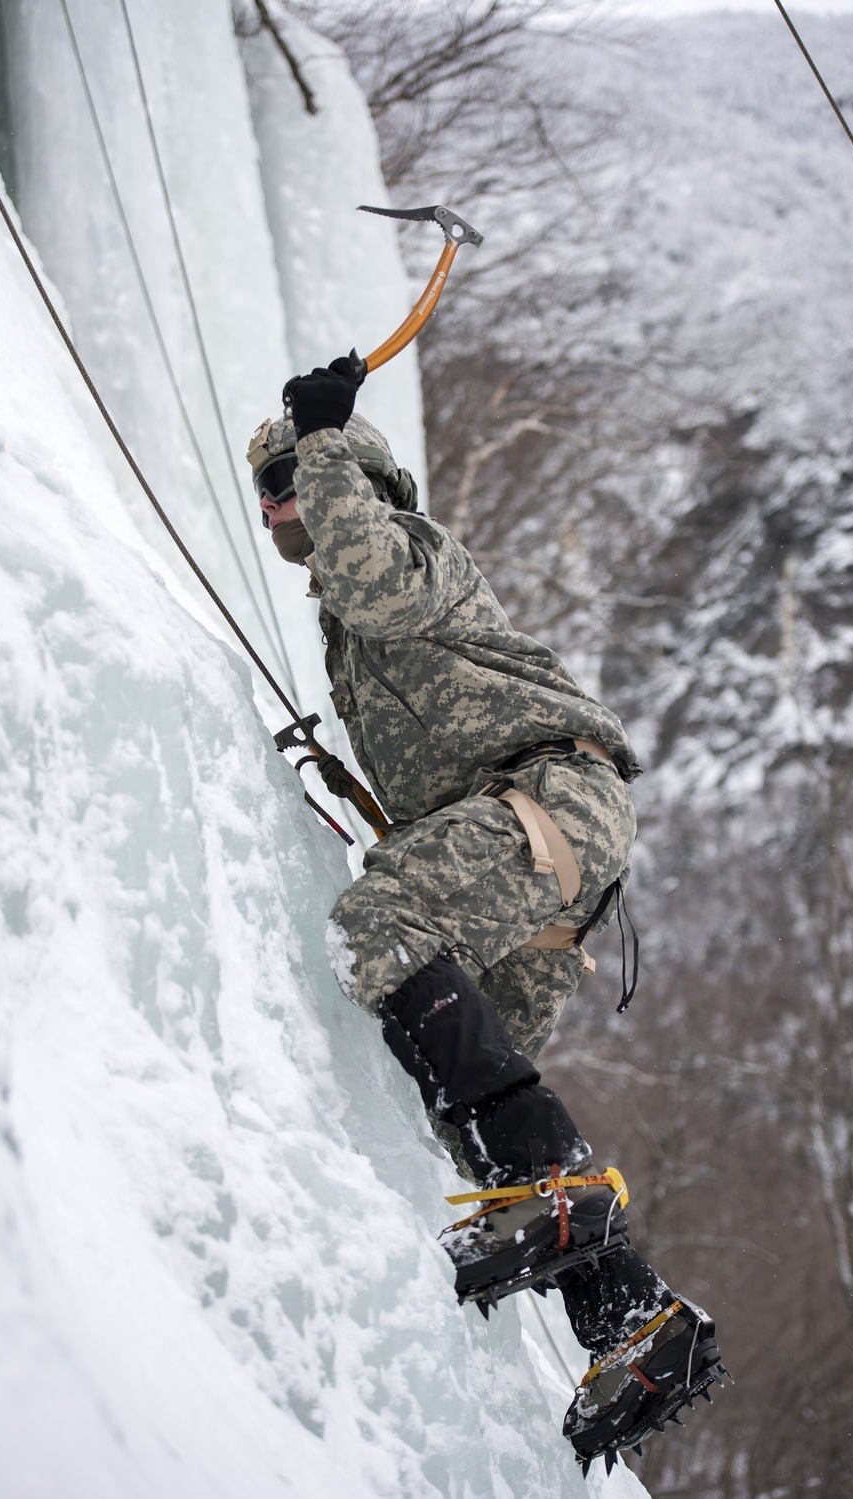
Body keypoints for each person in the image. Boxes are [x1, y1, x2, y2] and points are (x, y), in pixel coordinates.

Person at [247, 360, 727, 1473]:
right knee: (469, 1123)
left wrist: (322, 437)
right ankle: (640, 1325)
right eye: (269, 481)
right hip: (542, 857)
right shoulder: (364, 636)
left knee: (379, 921)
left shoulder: (407, 555)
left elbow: (367, 569)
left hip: (551, 801)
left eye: (292, 475)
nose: (277, 497)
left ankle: (561, 1193)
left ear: (353, 478)